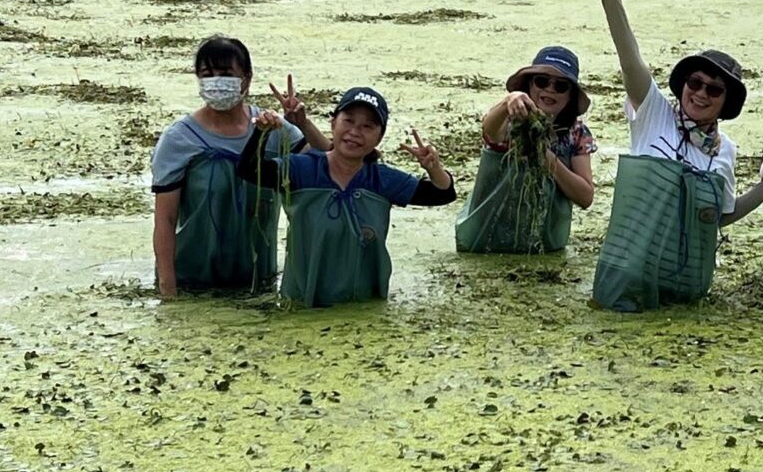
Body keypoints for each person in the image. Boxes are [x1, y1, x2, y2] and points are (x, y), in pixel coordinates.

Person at [576, 0, 763, 312]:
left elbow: (719, 217)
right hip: (628, 274)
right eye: (695, 83)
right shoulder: (654, 112)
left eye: (714, 89)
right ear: (683, 85)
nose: (701, 93)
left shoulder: (726, 151)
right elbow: (630, 59)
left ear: (726, 102)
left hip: (685, 284)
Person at [237, 87, 456, 307]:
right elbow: (248, 170)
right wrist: (261, 132)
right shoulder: (302, 169)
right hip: (302, 303)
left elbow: (442, 194)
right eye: (348, 121)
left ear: (379, 137)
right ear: (333, 124)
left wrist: (433, 168)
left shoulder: (381, 179)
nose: (355, 132)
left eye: (367, 126)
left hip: (365, 307)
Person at [151, 35, 329, 298]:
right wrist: (168, 290)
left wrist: (303, 123)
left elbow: (330, 163)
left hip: (258, 282)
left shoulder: (272, 129)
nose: (216, 81)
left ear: (246, 78)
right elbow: (164, 220)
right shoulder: (178, 139)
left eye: (225, 73)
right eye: (207, 74)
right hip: (193, 281)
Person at [455, 46, 596, 254]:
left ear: (570, 96)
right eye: (541, 81)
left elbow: (585, 197)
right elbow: (490, 130)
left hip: (545, 247)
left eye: (560, 86)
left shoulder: (577, 133)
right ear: (529, 85)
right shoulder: (510, 121)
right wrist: (507, 102)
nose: (549, 89)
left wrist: (547, 159)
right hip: (484, 241)